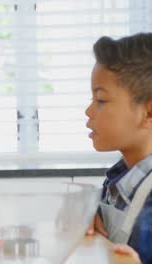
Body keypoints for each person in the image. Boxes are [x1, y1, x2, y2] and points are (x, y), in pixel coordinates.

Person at [85, 33, 152, 264]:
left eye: (101, 100)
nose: (89, 111)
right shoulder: (118, 179)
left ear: (149, 113)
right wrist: (86, 214)